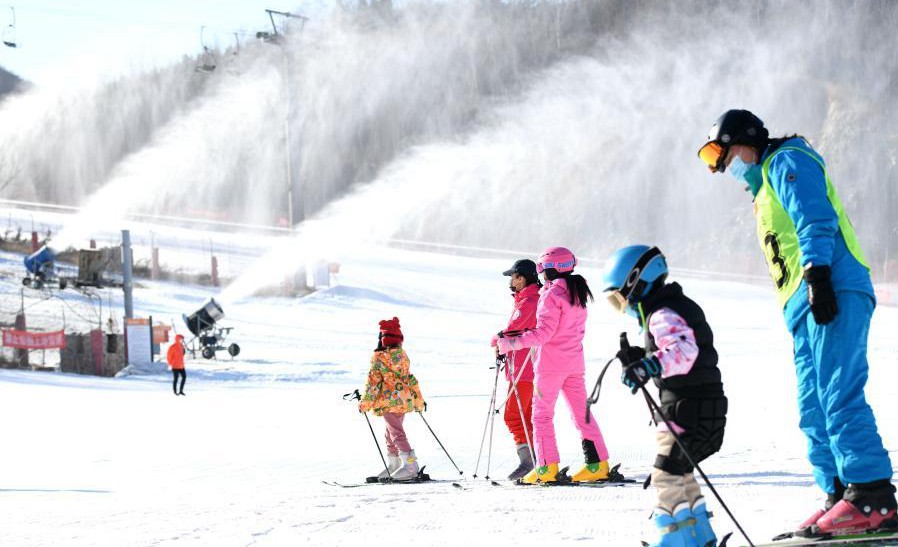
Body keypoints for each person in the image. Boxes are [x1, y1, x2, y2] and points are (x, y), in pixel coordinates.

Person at [698, 109, 896, 536]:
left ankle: (872, 495)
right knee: (813, 407)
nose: (724, 165)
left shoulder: (786, 161)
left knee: (838, 392)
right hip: (802, 305)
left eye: (724, 153)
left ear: (742, 140)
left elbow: (815, 217)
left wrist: (818, 274)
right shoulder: (763, 185)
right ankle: (840, 495)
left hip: (832, 287)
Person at [603, 245, 726, 547]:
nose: (624, 307)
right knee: (680, 474)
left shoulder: (661, 314)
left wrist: (648, 365)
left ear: (637, 281)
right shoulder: (674, 306)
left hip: (687, 410)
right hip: (701, 406)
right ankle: (699, 535)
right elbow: (679, 349)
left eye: (620, 299)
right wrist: (641, 358)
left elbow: (684, 351)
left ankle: (674, 540)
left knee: (665, 477)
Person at [496, 247, 610, 484]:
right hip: (574, 363)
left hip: (550, 366)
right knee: (581, 413)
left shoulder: (551, 295)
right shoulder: (577, 292)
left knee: (541, 416)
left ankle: (546, 468)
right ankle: (597, 464)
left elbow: (543, 334)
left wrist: (511, 343)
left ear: (548, 269)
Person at [359, 317, 426, 481]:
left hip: (389, 403)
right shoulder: (403, 356)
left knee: (396, 433)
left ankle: (410, 466)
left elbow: (373, 383)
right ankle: (395, 464)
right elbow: (410, 379)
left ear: (383, 340)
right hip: (403, 401)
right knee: (391, 433)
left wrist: (365, 403)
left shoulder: (378, 358)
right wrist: (418, 400)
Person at [491, 259, 540, 481]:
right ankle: (535, 459)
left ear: (522, 278)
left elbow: (513, 330)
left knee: (513, 415)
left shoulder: (529, 300)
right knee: (526, 415)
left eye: (513, 276)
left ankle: (528, 461)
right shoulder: (526, 299)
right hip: (524, 366)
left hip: (524, 368)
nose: (511, 281)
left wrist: (496, 339)